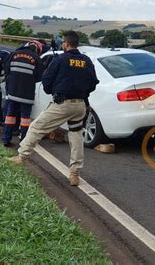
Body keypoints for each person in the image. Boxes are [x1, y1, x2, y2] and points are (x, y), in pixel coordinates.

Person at [7, 31, 99, 186]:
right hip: (80, 105)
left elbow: (47, 80)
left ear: (67, 43)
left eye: (63, 42)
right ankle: (75, 174)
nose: (62, 44)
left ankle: (21, 157)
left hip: (63, 104)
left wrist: (53, 91)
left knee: (36, 127)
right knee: (76, 137)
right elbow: (93, 83)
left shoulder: (60, 59)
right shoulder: (86, 60)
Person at [1, 41, 44, 146]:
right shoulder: (37, 59)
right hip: (27, 94)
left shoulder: (14, 54)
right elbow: (39, 77)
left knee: (10, 115)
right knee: (25, 118)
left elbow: (6, 69)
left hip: (13, 91)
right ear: (37, 50)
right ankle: (23, 141)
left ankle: (6, 139)